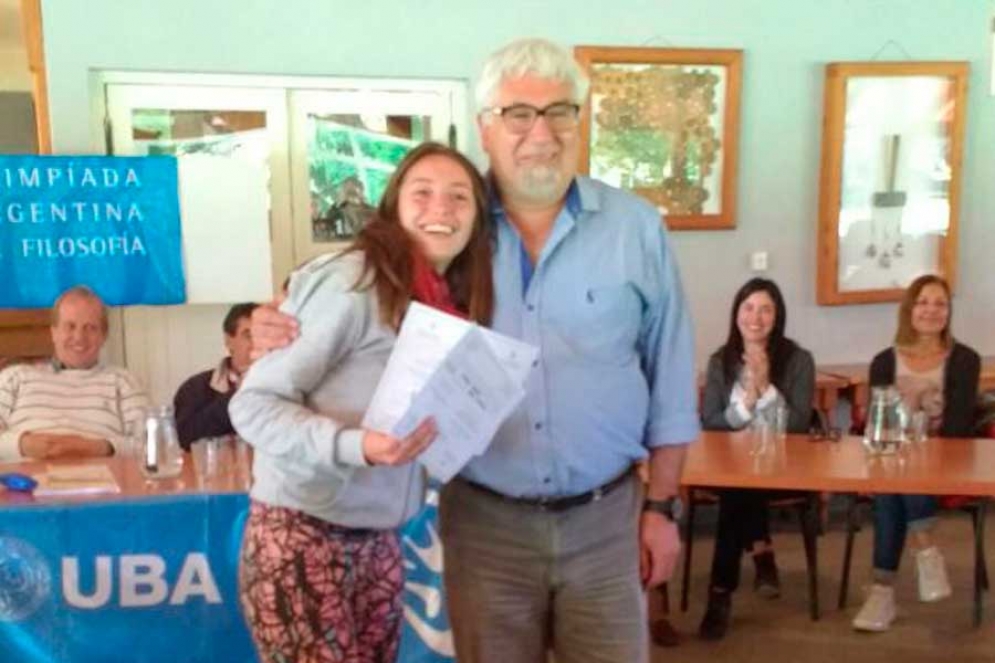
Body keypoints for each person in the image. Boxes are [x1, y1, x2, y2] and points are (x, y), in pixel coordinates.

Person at [250, 37, 698, 663]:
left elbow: (672, 385)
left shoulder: (636, 229)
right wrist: (279, 313)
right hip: (485, 526)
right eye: (518, 113)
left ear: (579, 121)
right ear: (486, 129)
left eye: (560, 111)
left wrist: (663, 508)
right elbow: (355, 279)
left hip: (608, 522)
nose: (540, 133)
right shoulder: (446, 227)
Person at [229, 142, 494, 663]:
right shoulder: (352, 283)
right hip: (302, 534)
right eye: (423, 193)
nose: (441, 209)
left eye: (459, 197)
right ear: (393, 206)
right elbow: (253, 406)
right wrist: (357, 446)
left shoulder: (450, 304)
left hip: (378, 540)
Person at [852, 274, 980, 632]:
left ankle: (881, 591)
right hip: (896, 460)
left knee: (896, 481)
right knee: (893, 480)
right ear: (909, 309)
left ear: (949, 312)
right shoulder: (884, 361)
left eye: (940, 304)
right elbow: (878, 427)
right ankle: (925, 550)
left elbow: (957, 428)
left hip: (945, 460)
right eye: (923, 302)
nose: (931, 311)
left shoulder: (964, 359)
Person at [697, 278, 815, 640]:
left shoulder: (798, 360)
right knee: (738, 488)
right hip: (731, 466)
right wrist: (746, 402)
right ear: (736, 314)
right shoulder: (721, 361)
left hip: (782, 464)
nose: (756, 317)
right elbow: (711, 425)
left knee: (739, 492)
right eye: (748, 308)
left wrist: (765, 387)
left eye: (766, 309)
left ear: (777, 316)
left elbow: (796, 427)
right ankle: (760, 550)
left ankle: (720, 594)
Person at [0, 285, 148, 461]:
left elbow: (151, 445)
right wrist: (23, 445)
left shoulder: (123, 382)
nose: (79, 337)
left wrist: (102, 448)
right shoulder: (14, 378)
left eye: (90, 328)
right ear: (53, 332)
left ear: (103, 335)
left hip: (102, 482)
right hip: (23, 484)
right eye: (70, 326)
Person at [172, 302, 258, 450]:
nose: (258, 343)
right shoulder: (194, 388)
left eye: (264, 335)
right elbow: (185, 441)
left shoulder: (288, 384)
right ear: (228, 340)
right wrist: (241, 391)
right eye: (248, 335)